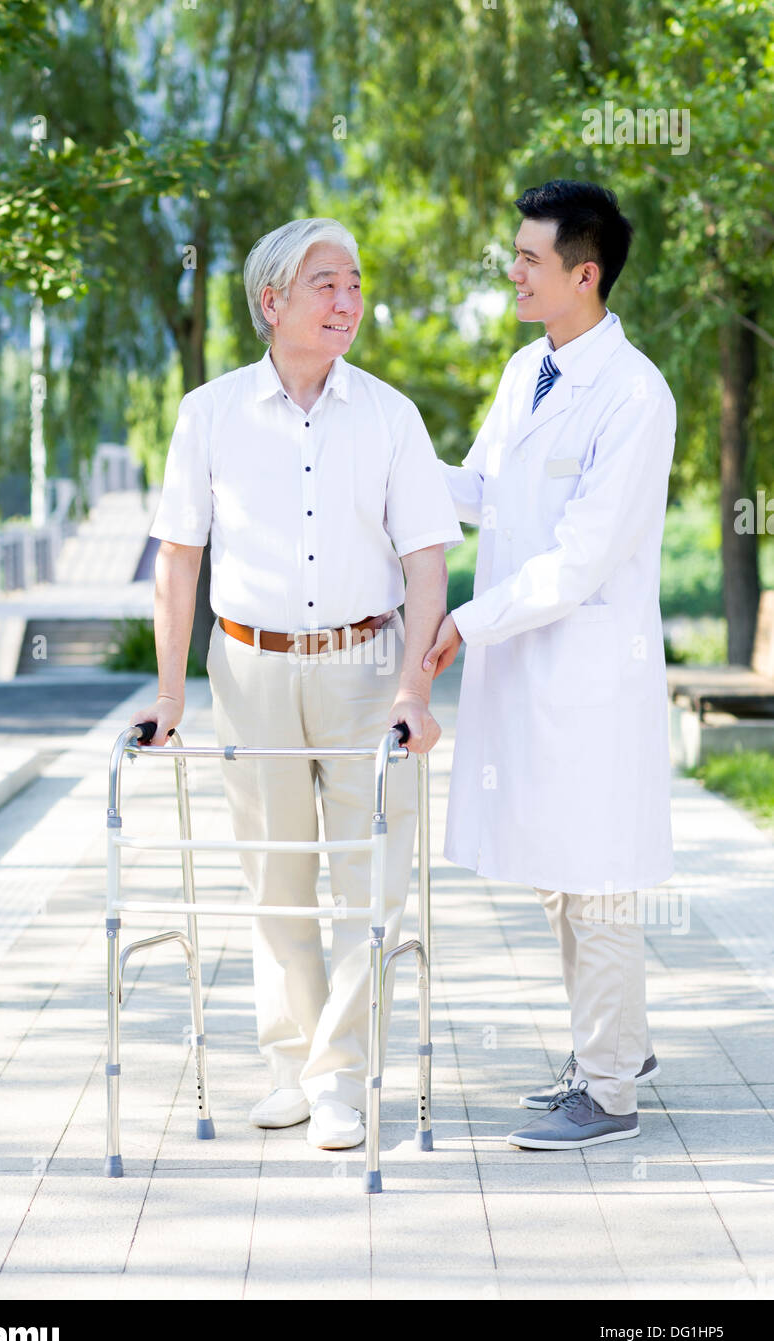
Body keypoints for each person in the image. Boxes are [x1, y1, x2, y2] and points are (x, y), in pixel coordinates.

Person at [133, 217, 462, 1150]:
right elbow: (178, 560)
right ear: (271, 300)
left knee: (371, 880)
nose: (348, 302)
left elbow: (426, 563)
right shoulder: (211, 412)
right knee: (274, 877)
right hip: (250, 664)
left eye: (356, 284)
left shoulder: (392, 415)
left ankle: (342, 1080)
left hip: (367, 667)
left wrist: (413, 692)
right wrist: (169, 695)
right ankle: (288, 1065)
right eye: (328, 285)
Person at [424, 180, 675, 1150]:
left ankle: (608, 1093)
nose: (512, 270)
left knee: (596, 874)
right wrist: (394, 460)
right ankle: (613, 1046)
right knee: (560, 876)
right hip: (533, 675)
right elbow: (481, 488)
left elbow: (579, 559)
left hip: (587, 675)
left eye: (529, 259)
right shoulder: (524, 369)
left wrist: (464, 619)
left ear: (584, 272)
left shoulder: (632, 393)